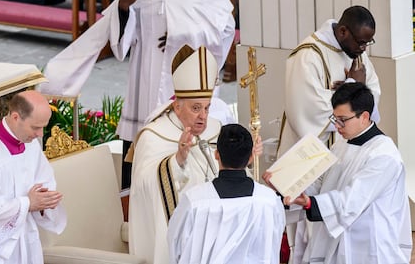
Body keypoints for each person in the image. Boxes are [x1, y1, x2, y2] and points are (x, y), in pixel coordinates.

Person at [39, 0, 235, 190]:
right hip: (145, 87)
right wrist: (123, 7)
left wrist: (182, 37)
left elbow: (225, 29)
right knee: (138, 164)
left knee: (187, 166)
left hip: (187, 82)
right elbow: (120, 40)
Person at [128, 45, 261, 264]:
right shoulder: (153, 135)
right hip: (180, 234)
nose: (203, 117)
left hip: (218, 231)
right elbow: (143, 185)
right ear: (177, 107)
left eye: (207, 108)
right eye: (195, 108)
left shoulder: (216, 129)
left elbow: (231, 173)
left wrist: (247, 157)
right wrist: (177, 161)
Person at [276, 5, 381, 263]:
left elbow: (372, 98)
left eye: (369, 43)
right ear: (343, 31)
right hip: (313, 156)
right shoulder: (307, 56)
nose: (364, 49)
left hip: (347, 156)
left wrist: (355, 88)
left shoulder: (356, 52)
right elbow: (307, 111)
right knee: (309, 237)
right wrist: (353, 87)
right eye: (361, 42)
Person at [270, 82, 412, 263]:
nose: (336, 126)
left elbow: (353, 199)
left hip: (370, 247)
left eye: (342, 119)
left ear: (364, 116)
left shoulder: (383, 155)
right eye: (334, 118)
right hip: (338, 241)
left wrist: (311, 203)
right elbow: (321, 182)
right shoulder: (341, 145)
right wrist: (287, 190)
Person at [167, 123, 285, 264]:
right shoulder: (269, 200)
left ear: (217, 154)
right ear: (251, 158)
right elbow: (274, 242)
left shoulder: (195, 200)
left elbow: (175, 243)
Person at [0, 90, 67, 264]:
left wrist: (45, 201)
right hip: (1, 248)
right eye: (35, 127)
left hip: (28, 239)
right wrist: (28, 203)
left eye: (43, 127)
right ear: (16, 117)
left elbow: (45, 182)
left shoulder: (31, 145)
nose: (40, 135)